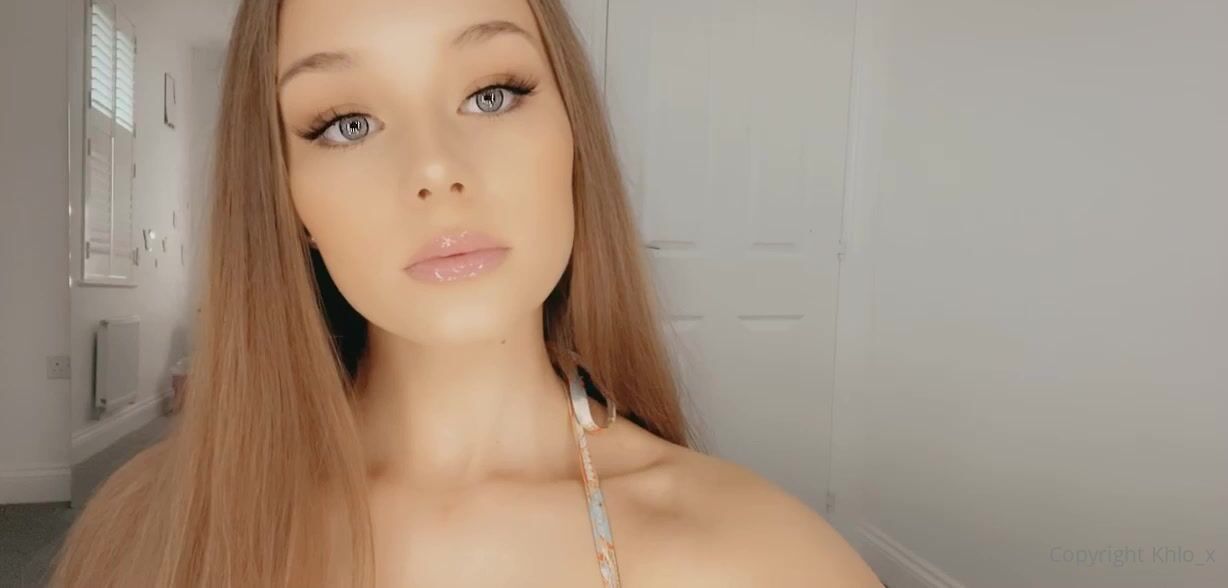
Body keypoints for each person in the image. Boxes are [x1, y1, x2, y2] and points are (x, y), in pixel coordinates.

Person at [50, 0, 882, 586]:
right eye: (347, 124)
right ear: (287, 198)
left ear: (572, 134)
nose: (435, 167)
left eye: (492, 95)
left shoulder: (767, 560)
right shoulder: (146, 535)